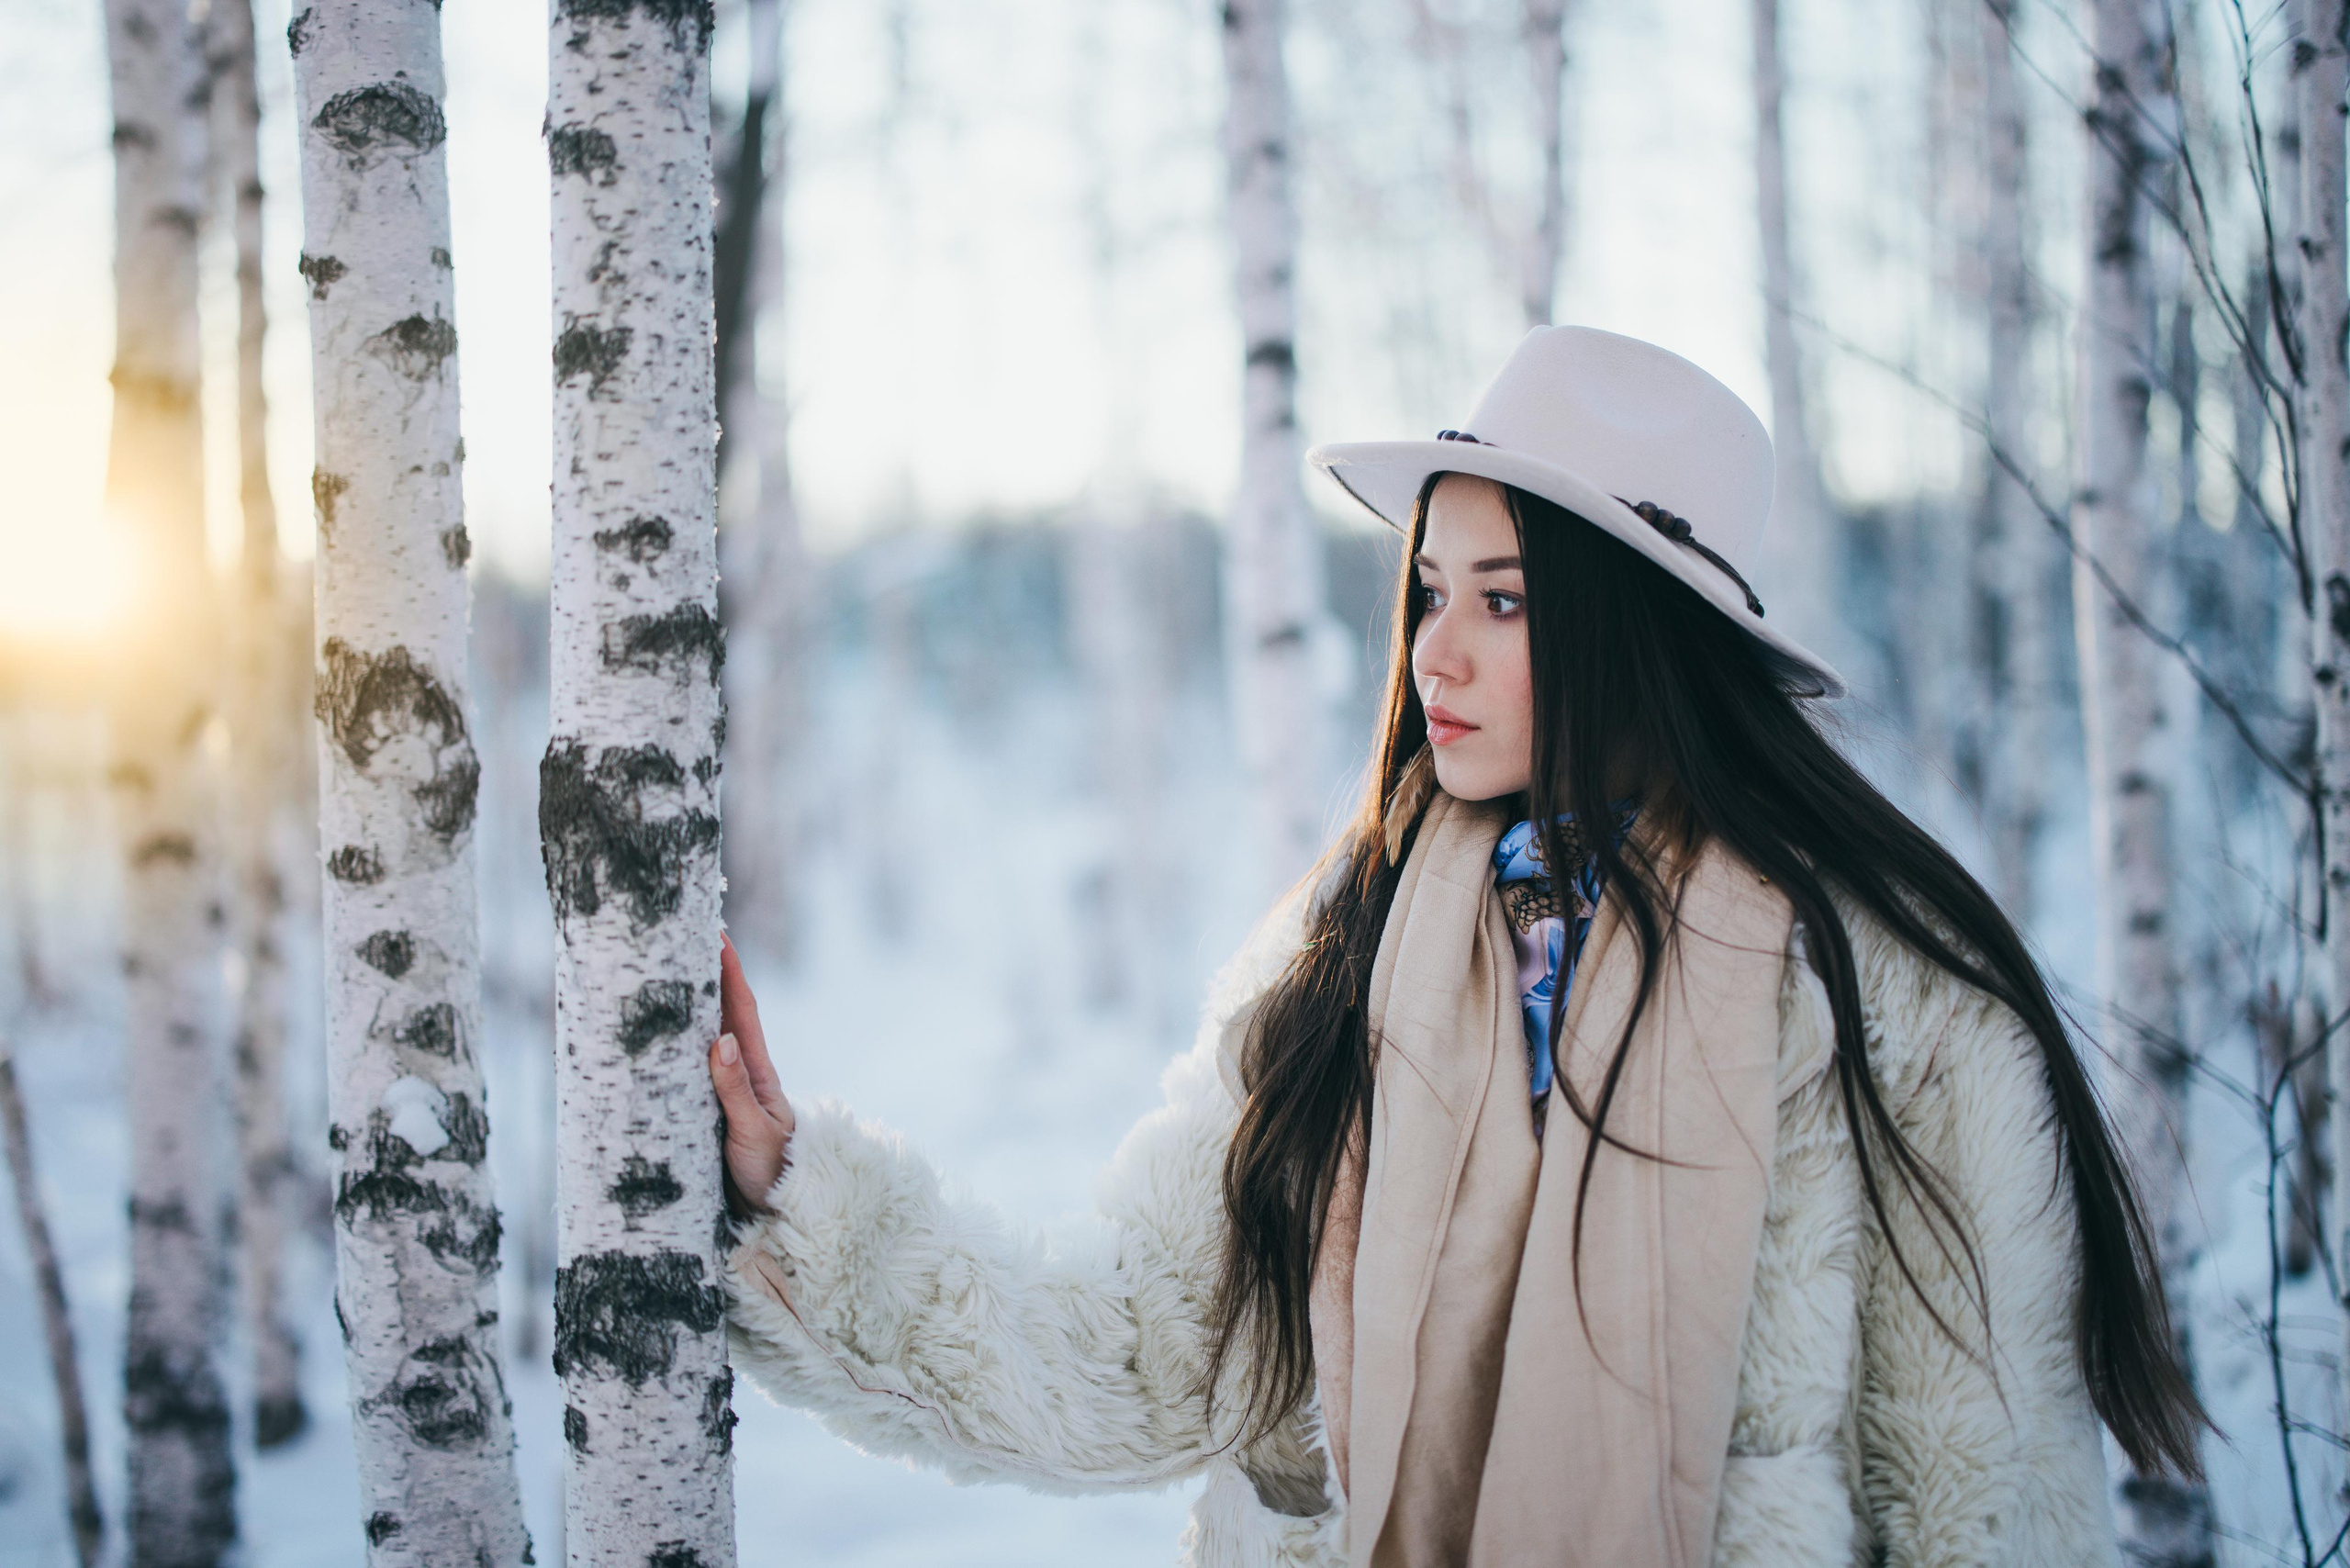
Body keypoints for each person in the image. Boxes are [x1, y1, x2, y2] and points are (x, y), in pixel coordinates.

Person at [709, 325, 2206, 1566]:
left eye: (1505, 600)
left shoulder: (1897, 1001)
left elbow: (1981, 1508)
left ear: (1644, 631)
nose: (1436, 648)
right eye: (1432, 589)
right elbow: (1142, 1346)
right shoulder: (1348, 944)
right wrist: (810, 1206)